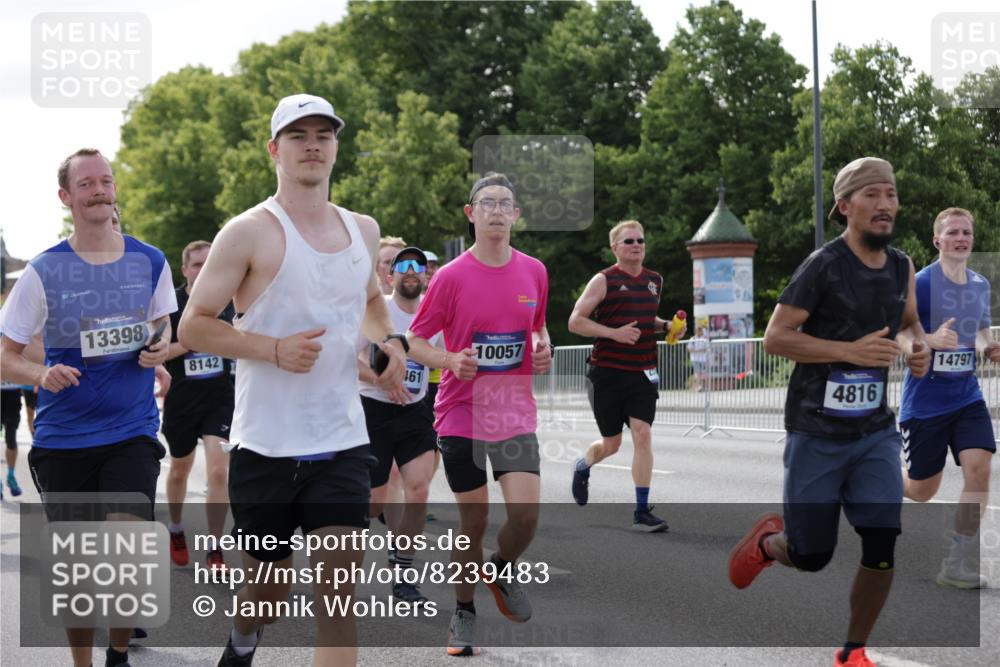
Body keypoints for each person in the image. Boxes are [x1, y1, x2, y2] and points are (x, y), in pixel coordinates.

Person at [177, 93, 406, 667]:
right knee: (267, 598)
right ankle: (242, 640)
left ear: (336, 147)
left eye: (323, 135)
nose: (312, 145)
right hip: (266, 447)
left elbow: (371, 301)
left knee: (338, 604)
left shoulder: (363, 229)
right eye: (298, 135)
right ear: (274, 149)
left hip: (341, 442)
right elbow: (194, 324)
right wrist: (272, 349)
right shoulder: (247, 231)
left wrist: (391, 341)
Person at [728, 157, 930, 667]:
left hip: (874, 431)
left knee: (882, 543)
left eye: (890, 195)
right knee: (811, 556)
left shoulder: (902, 266)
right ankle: (769, 544)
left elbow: (908, 322)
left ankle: (853, 650)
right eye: (872, 195)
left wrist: (916, 347)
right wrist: (848, 351)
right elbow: (776, 337)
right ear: (845, 206)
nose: (885, 205)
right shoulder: (823, 265)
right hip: (816, 431)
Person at [0, 147, 175, 667]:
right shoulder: (43, 271)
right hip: (64, 439)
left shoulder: (150, 260)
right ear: (66, 197)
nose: (99, 191)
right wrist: (40, 374)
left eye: (106, 181)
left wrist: (159, 347)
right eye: (86, 184)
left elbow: (163, 324)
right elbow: (6, 354)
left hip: (131, 431)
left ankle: (117, 655)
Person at [406, 172, 551, 657]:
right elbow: (415, 341)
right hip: (461, 411)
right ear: (471, 213)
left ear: (516, 215)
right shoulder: (450, 277)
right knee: (475, 518)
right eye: (487, 202)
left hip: (513, 411)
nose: (496, 211)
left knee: (526, 515)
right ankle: (463, 611)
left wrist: (542, 346)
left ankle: (502, 567)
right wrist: (450, 360)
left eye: (505, 203)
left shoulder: (535, 271)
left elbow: (537, 326)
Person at [898, 207, 997, 588]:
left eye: (966, 232)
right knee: (922, 491)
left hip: (966, 397)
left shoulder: (979, 284)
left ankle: (956, 562)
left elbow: (981, 329)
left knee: (980, 468)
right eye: (953, 232)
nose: (961, 238)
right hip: (925, 403)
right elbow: (899, 331)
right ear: (937, 240)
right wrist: (929, 340)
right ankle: (876, 473)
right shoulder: (921, 283)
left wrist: (989, 347)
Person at [567, 220, 684, 531]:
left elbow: (646, 318)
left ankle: (642, 512)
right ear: (614, 248)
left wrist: (666, 326)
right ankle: (583, 465)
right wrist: (613, 333)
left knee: (643, 434)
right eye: (629, 241)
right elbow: (575, 321)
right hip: (606, 373)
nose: (636, 245)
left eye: (640, 240)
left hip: (643, 372)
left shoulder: (654, 280)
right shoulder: (603, 280)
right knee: (612, 444)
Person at [357, 246, 440, 605]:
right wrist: (381, 379)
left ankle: (404, 573)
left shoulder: (433, 315)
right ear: (389, 277)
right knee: (374, 504)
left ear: (425, 276)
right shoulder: (377, 312)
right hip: (372, 410)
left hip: (414, 412)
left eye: (418, 266)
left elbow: (446, 355)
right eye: (401, 265)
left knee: (418, 490)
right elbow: (348, 359)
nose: (410, 270)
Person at [161, 240, 235, 574]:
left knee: (219, 471)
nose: (203, 270)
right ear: (185, 270)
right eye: (197, 265)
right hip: (182, 400)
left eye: (209, 264)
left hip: (220, 398)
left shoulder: (228, 302)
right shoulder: (172, 304)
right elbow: (159, 352)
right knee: (180, 469)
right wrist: (194, 339)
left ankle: (215, 548)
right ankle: (176, 528)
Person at [688, 326, 710, 392]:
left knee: (702, 373)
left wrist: (701, 350)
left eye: (700, 330)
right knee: (697, 372)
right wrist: (697, 351)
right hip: (694, 359)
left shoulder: (704, 339)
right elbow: (689, 349)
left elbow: (707, 348)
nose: (698, 332)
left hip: (703, 359)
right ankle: (698, 386)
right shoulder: (692, 339)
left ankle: (700, 386)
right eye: (697, 330)